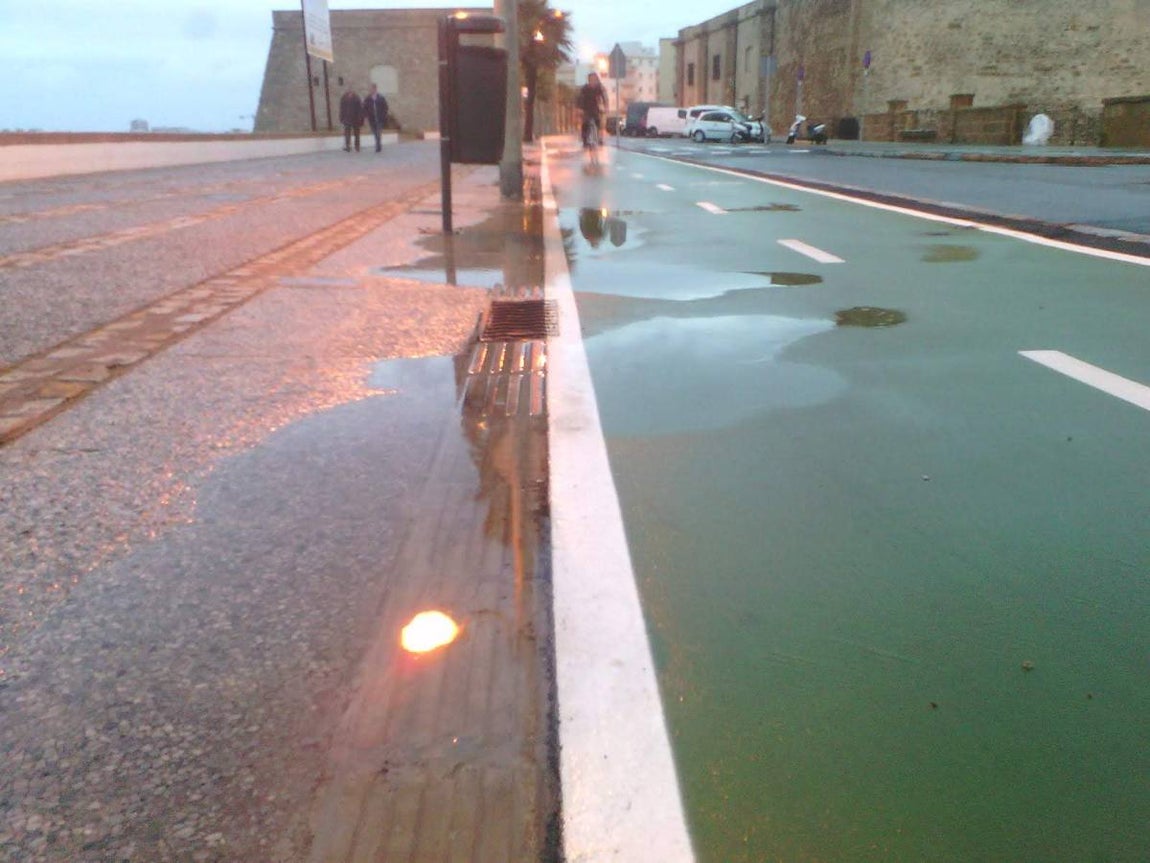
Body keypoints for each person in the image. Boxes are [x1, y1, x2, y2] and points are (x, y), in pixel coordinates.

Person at [576, 72, 608, 149]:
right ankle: (585, 141)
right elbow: (580, 99)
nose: (593, 81)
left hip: (595, 108)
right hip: (586, 108)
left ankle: (599, 138)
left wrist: (606, 106)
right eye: (591, 79)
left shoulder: (600, 87)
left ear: (597, 80)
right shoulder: (584, 88)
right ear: (589, 80)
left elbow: (604, 97)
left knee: (599, 123)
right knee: (585, 125)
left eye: (594, 79)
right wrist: (579, 108)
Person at [362, 84, 389, 153]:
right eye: (370, 89)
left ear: (375, 89)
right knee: (375, 133)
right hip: (372, 118)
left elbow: (385, 107)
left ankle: (378, 146)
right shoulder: (368, 98)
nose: (371, 90)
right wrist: (366, 116)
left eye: (372, 89)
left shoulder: (381, 97)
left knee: (378, 132)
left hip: (379, 118)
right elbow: (364, 108)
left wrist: (383, 115)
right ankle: (378, 144)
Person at [339, 87, 363, 152]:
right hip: (347, 119)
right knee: (347, 133)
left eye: (351, 90)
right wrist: (341, 117)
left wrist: (360, 118)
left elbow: (360, 109)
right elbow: (342, 109)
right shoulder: (344, 98)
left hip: (356, 119)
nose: (350, 92)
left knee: (356, 134)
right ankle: (348, 146)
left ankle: (357, 146)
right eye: (349, 90)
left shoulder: (357, 98)